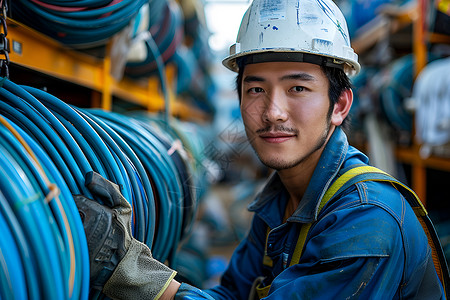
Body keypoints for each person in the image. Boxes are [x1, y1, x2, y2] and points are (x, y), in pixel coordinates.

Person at [75, 0, 448, 299]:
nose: (272, 112)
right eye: (256, 89)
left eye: (297, 88)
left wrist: (132, 272)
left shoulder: (367, 222)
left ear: (340, 106)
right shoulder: (280, 203)